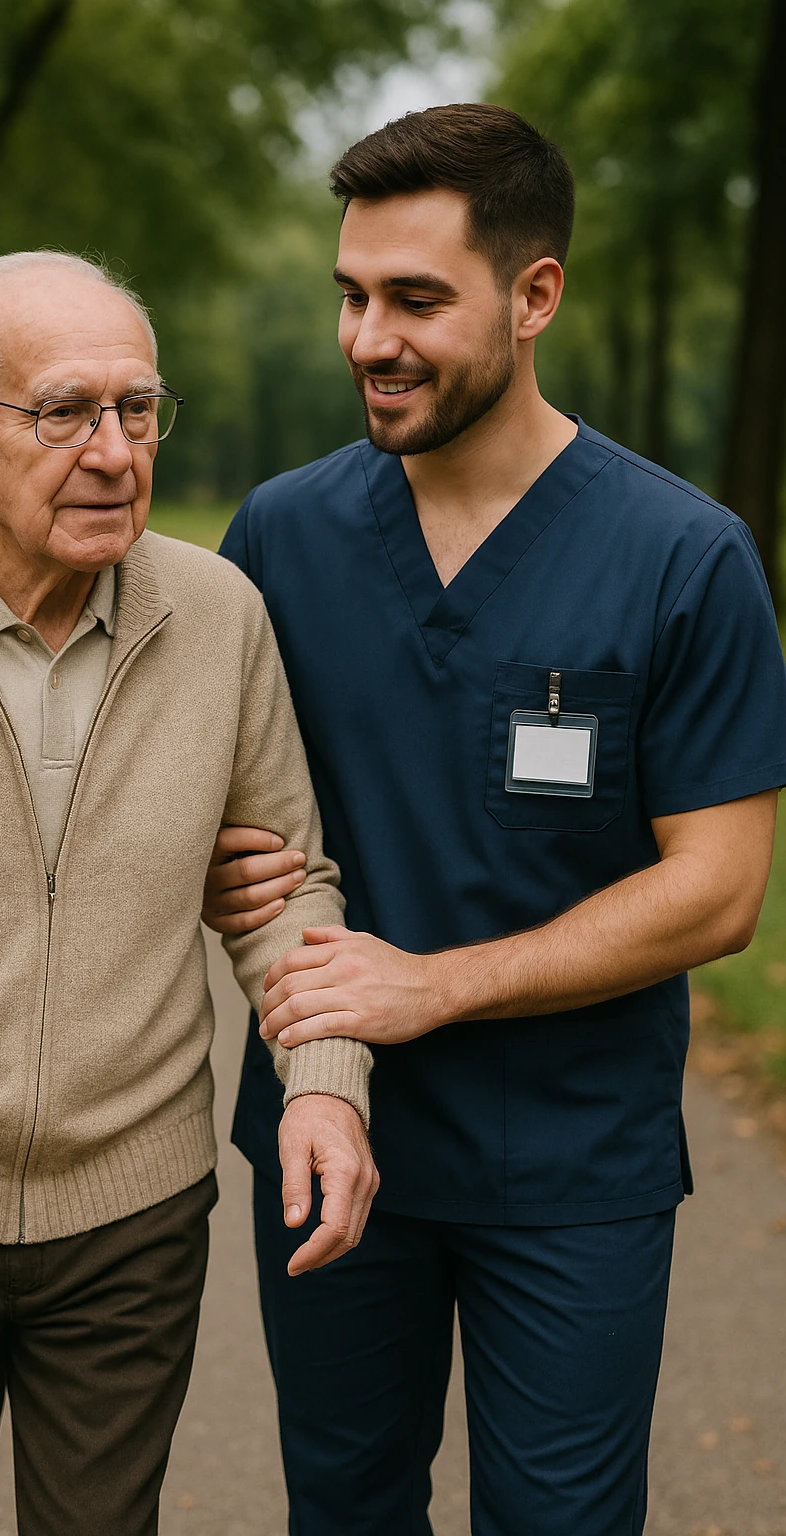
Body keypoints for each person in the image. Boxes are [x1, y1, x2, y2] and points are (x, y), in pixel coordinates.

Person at [203, 105, 786, 1536]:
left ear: (535, 298)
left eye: (414, 299)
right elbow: (207, 794)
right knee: (344, 1508)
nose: (366, 337)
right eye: (350, 293)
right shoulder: (279, 539)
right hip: (332, 1145)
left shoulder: (684, 557)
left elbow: (718, 892)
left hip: (571, 1163)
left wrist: (434, 985)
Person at [0, 250, 377, 1536]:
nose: (112, 451)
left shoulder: (219, 618)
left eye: (138, 409)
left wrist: (326, 1087)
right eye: (63, 412)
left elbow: (285, 891)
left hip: (134, 1217)